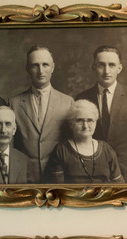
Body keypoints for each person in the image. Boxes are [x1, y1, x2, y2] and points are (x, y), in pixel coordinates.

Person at [75, 46, 127, 183]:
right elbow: (78, 138)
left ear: (119, 68)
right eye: (101, 65)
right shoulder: (83, 97)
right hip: (94, 171)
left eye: (111, 65)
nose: (107, 71)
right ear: (94, 67)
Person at [9, 46, 74, 182]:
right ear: (27, 68)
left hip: (58, 176)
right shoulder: (14, 103)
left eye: (45, 65)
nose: (40, 71)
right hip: (24, 176)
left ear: (53, 67)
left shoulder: (68, 102)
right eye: (35, 65)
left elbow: (71, 145)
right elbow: (10, 146)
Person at [43, 100, 124, 183]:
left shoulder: (107, 149)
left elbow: (119, 185)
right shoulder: (61, 150)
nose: (85, 126)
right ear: (71, 124)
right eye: (79, 120)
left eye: (90, 120)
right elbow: (57, 188)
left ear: (96, 123)